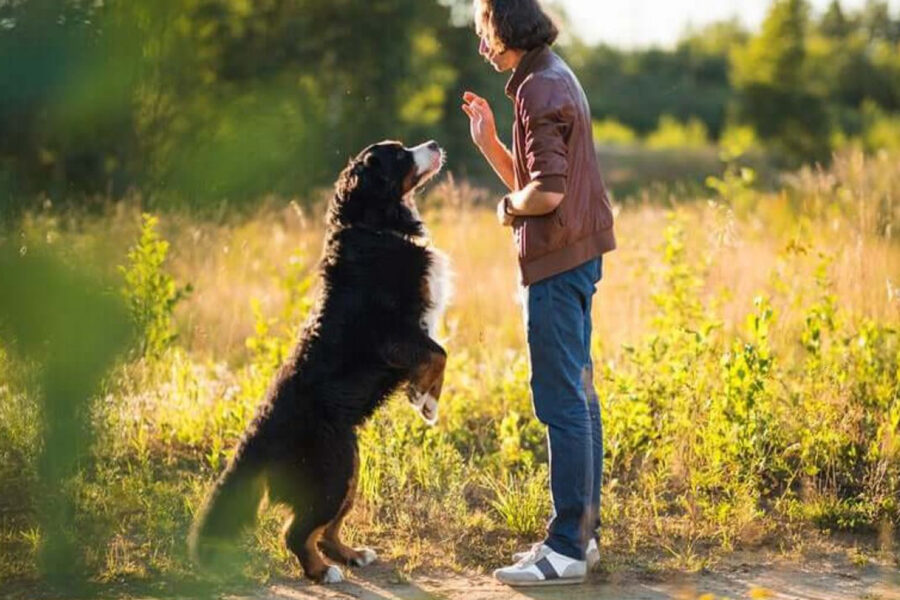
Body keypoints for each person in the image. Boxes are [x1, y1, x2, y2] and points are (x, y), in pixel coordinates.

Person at [461, 0, 617, 587]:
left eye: (485, 34)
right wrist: (489, 144)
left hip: (557, 260)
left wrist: (505, 209)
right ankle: (581, 540)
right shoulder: (552, 75)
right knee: (578, 395)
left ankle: (566, 549)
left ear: (506, 28)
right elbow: (538, 179)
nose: (482, 48)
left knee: (561, 401)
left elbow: (543, 196)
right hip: (578, 253)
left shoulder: (539, 89)